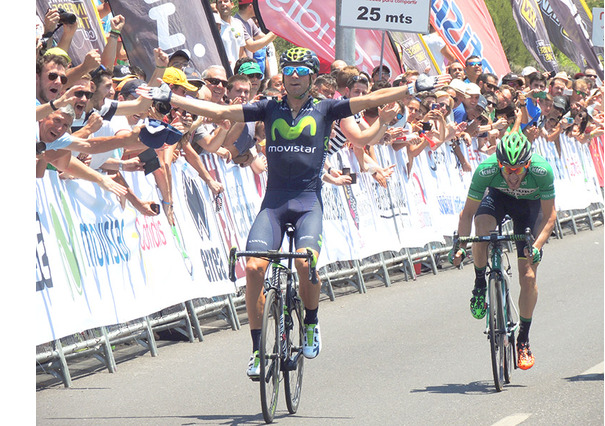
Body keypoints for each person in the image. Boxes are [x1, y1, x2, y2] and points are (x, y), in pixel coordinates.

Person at [138, 46, 447, 378]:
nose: (294, 76)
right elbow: (217, 112)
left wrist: (412, 88)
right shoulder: (269, 107)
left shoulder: (328, 108)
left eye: (301, 71)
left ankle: (311, 323)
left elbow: (372, 99)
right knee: (254, 268)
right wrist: (172, 99)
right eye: (289, 71)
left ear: (312, 77)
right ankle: (257, 351)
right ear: (282, 77)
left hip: (307, 202)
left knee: (304, 261)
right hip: (273, 203)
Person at [449, 131, 557, 371]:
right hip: (498, 199)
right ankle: (479, 285)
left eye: (518, 169)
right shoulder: (486, 170)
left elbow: (550, 217)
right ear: (498, 164)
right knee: (482, 229)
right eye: (506, 169)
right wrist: (460, 246)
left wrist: (536, 247)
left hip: (530, 208)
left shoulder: (542, 171)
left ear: (528, 164)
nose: (511, 175)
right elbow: (466, 214)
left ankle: (524, 340)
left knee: (528, 276)